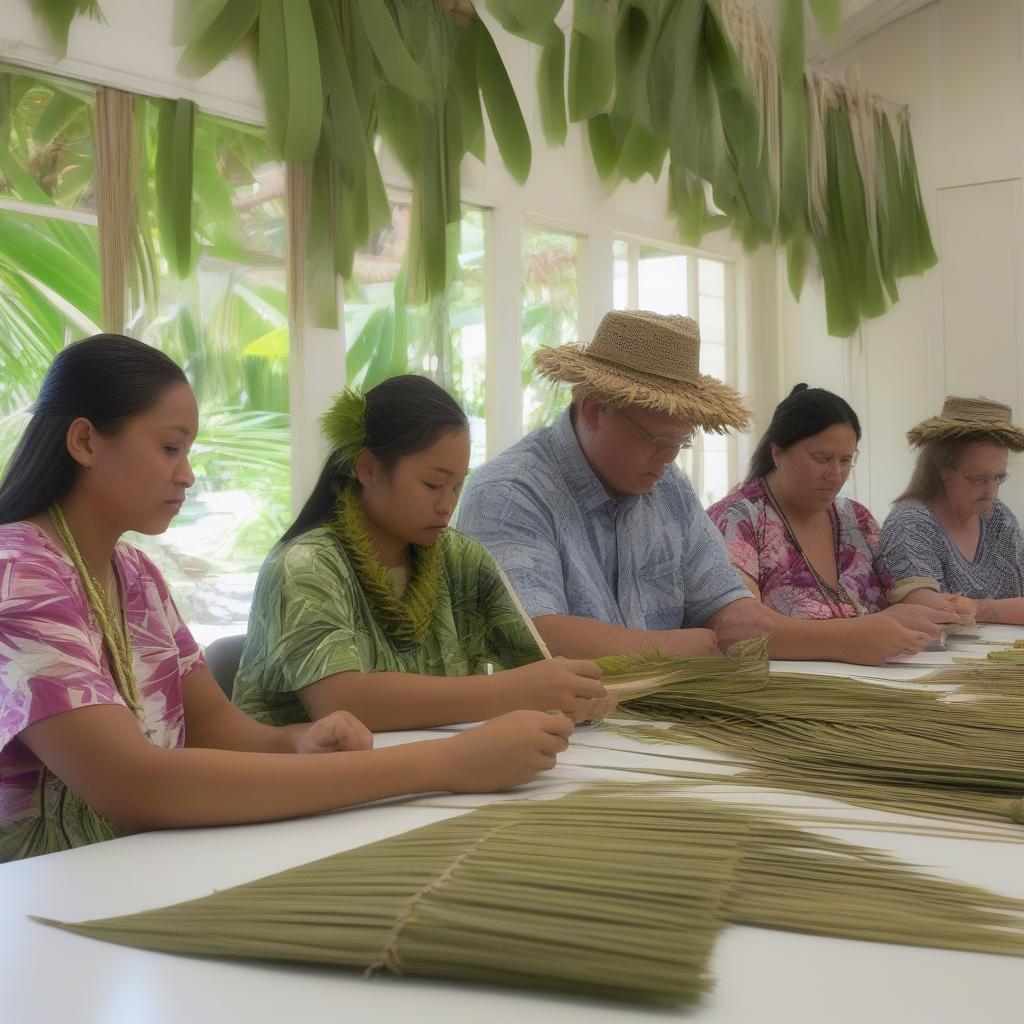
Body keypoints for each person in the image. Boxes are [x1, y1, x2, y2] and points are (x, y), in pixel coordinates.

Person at [0, 336, 572, 862]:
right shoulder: (17, 572)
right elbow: (134, 783)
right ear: (84, 441)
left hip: (138, 868)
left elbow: (214, 726)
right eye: (171, 448)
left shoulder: (135, 573)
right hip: (44, 894)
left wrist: (298, 741)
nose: (188, 476)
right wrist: (447, 764)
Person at [232, 375, 609, 730]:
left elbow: (535, 665)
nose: (447, 505)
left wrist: (575, 693)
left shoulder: (462, 560)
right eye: (432, 484)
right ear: (368, 468)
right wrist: (516, 691)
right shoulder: (306, 566)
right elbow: (340, 702)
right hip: (307, 785)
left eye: (457, 486)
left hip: (433, 778)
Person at [457, 310, 772, 660]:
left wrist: (740, 616)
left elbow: (721, 599)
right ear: (593, 411)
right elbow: (532, 636)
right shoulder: (510, 494)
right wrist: (677, 648)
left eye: (680, 443)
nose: (669, 458)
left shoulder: (670, 489)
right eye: (656, 440)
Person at [708, 385, 960, 664]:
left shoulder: (857, 519)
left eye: (846, 460)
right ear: (777, 453)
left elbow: (902, 589)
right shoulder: (738, 520)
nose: (836, 474)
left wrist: (935, 607)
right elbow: (738, 628)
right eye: (822, 459)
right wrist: (850, 638)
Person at [878, 396, 1024, 625]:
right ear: (942, 471)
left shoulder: (1000, 518)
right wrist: (986, 608)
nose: (992, 493)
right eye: (978, 479)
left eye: (998, 478)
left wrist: (974, 607)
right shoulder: (911, 523)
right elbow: (924, 606)